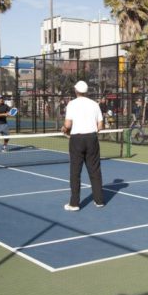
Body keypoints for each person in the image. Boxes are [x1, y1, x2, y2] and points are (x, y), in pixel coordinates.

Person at [61, 80, 104, 211]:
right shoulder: (94, 104)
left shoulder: (72, 104)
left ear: (76, 91)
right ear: (86, 91)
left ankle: (74, 204)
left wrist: (64, 129)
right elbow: (100, 125)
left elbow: (68, 125)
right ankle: (99, 201)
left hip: (77, 140)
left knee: (75, 172)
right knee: (95, 170)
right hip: (92, 139)